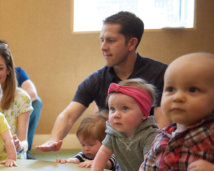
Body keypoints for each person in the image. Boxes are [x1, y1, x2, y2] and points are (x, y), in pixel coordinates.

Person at [101, 52, 214, 171]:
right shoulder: (163, 136)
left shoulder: (210, 135)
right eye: (170, 89)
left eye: (192, 90)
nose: (177, 97)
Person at [36, 11, 168, 152]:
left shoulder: (160, 74)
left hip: (147, 153)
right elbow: (68, 115)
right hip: (110, 153)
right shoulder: (97, 79)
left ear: (131, 43)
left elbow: (162, 126)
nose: (103, 47)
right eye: (102, 40)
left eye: (110, 41)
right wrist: (54, 139)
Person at [78, 78, 158, 171]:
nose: (116, 114)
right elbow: (104, 152)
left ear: (143, 113)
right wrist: (95, 170)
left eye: (124, 108)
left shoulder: (150, 135)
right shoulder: (114, 133)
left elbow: (149, 164)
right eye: (112, 109)